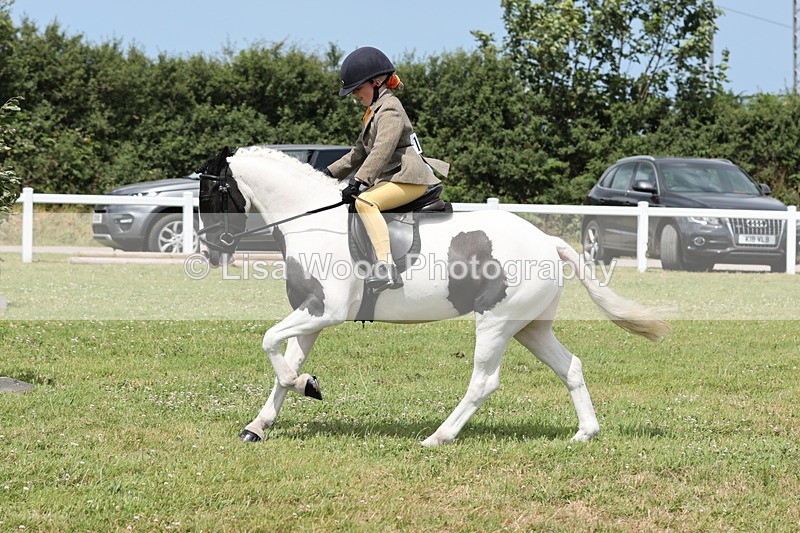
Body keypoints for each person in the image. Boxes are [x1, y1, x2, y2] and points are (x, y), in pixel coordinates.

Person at [324, 46, 447, 292]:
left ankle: (385, 266)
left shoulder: (390, 108)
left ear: (377, 82)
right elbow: (358, 152)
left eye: (358, 88)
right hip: (395, 178)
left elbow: (382, 150)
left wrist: (358, 182)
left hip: (409, 178)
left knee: (365, 202)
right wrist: (326, 174)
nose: (354, 95)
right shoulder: (374, 111)